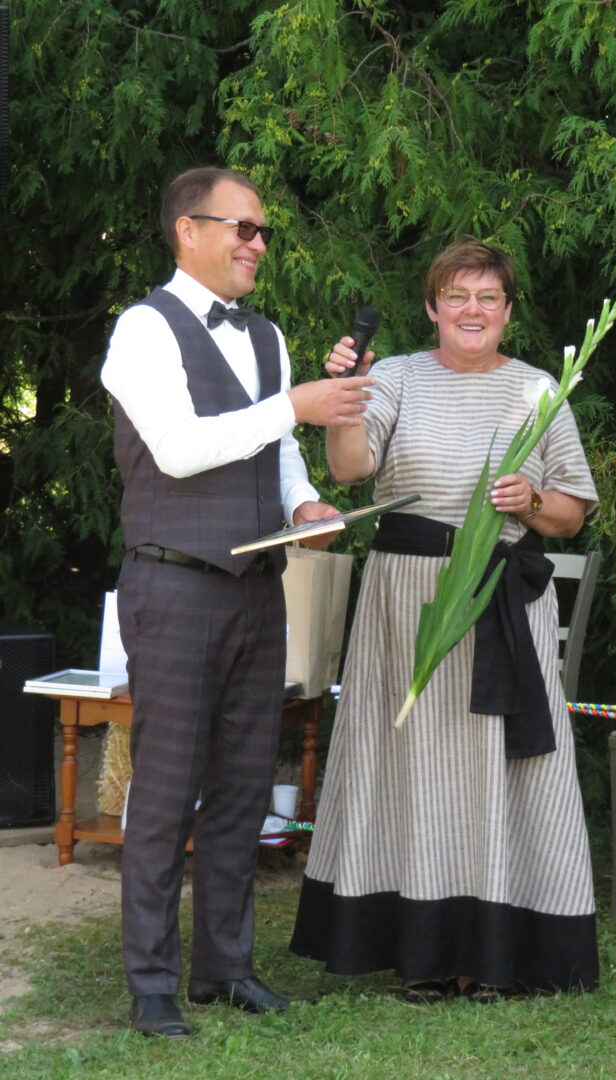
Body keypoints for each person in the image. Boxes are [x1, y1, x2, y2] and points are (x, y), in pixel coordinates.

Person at [101, 166, 374, 1037]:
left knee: (243, 787)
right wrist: (292, 405)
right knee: (166, 789)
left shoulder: (268, 335)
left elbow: (279, 452)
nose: (258, 244)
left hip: (259, 588)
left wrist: (307, 507)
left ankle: (225, 969)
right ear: (188, 229)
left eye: (262, 232)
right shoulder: (143, 329)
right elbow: (180, 450)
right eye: (243, 228)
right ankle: (152, 983)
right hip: (173, 584)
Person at [290, 238, 599, 1001]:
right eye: (456, 295)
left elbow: (571, 513)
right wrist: (347, 398)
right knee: (415, 769)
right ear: (432, 307)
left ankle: (494, 952)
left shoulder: (540, 390)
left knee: (499, 771)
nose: (471, 310)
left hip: (503, 603)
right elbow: (351, 470)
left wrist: (532, 500)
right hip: (409, 602)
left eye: (487, 297)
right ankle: (421, 952)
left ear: (508, 311)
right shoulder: (396, 376)